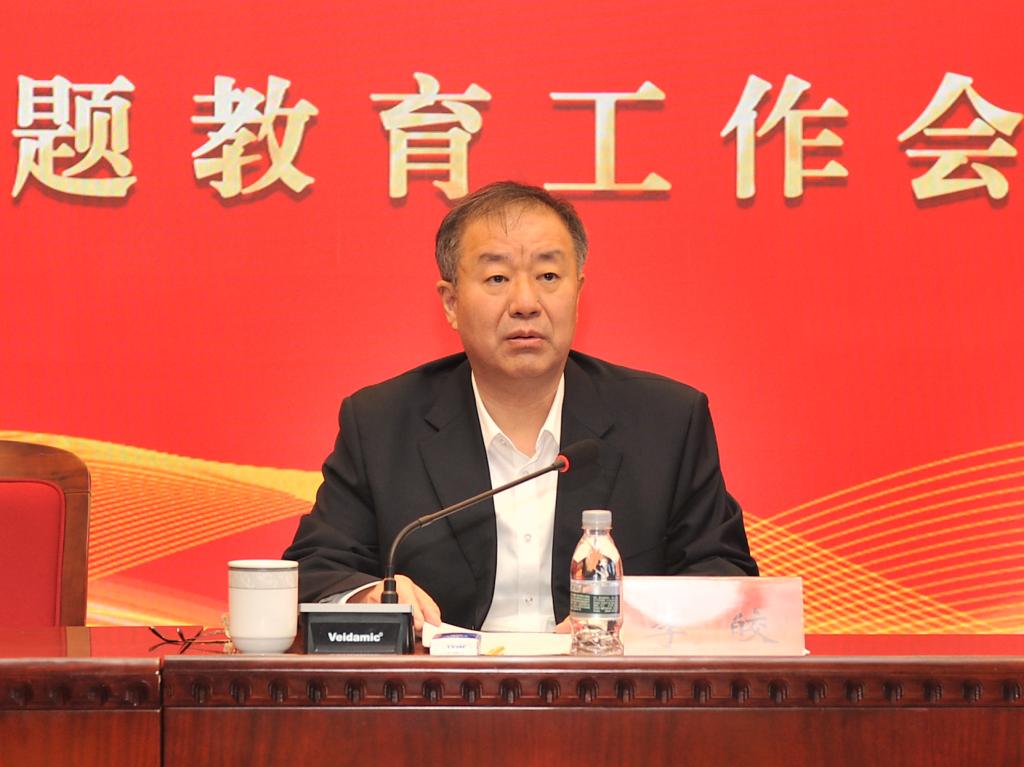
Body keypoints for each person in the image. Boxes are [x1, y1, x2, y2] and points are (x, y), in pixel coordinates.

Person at [284, 181, 757, 632]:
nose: (526, 302)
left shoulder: (666, 421)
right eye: (497, 277)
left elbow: (725, 575)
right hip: (441, 686)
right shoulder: (382, 423)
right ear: (450, 303)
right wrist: (369, 597)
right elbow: (315, 568)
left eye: (548, 276)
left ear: (578, 292)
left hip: (609, 683)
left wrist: (637, 619)